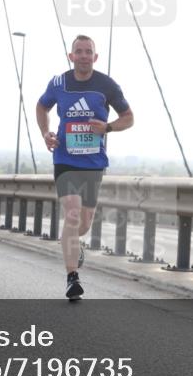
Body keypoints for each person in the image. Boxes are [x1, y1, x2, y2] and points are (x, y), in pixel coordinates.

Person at [36, 35, 134, 300]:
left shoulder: (107, 85)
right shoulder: (59, 83)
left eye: (88, 51)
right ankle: (72, 278)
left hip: (93, 163)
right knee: (72, 214)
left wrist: (109, 127)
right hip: (65, 160)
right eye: (78, 51)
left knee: (84, 223)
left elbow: (129, 118)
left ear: (95, 56)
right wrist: (46, 133)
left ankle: (74, 244)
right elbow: (41, 106)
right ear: (71, 56)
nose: (83, 55)